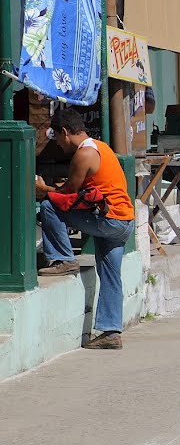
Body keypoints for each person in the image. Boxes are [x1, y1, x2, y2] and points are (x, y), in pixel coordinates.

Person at [35, 109, 136, 350]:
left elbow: (66, 193)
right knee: (111, 274)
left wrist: (43, 188)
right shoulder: (101, 147)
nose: (58, 145)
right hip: (124, 221)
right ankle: (111, 332)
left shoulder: (84, 154)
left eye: (57, 138)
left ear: (65, 132)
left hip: (109, 220)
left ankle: (63, 258)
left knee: (49, 206)